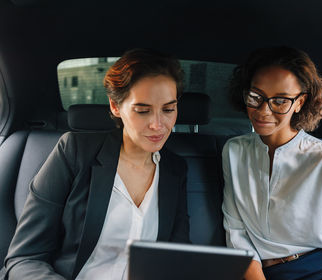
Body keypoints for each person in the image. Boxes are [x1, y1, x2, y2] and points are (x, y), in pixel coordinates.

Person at [4, 49, 190, 280]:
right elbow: (25, 258)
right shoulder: (74, 152)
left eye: (168, 109)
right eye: (142, 111)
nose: (158, 124)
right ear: (115, 106)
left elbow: (178, 258)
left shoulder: (175, 170)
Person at [222, 46, 322, 280]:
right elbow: (236, 229)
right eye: (255, 97)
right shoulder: (234, 151)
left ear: (300, 102)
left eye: (279, 101)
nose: (263, 110)